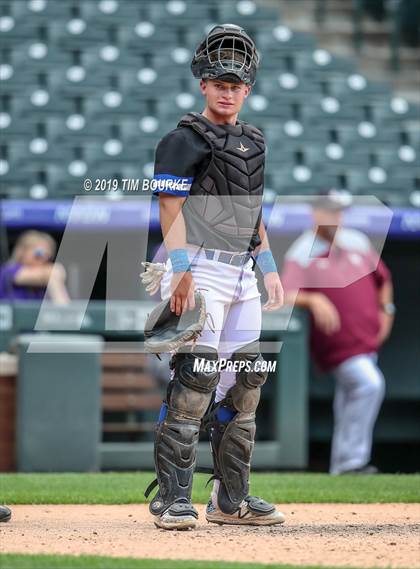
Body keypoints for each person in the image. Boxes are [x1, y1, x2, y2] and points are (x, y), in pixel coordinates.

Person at [145, 24, 285, 529]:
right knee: (196, 378)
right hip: (197, 263)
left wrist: (267, 266)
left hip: (240, 270)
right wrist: (180, 272)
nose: (228, 90)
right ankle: (171, 499)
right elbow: (169, 205)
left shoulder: (253, 139)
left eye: (236, 84)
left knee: (245, 383)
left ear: (247, 88)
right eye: (219, 82)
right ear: (203, 83)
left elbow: (252, 211)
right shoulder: (183, 138)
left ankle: (230, 500)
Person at [281, 190, 394, 475]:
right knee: (369, 384)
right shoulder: (302, 250)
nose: (336, 217)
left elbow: (384, 280)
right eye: (330, 211)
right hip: (337, 344)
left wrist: (387, 311)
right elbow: (283, 294)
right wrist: (313, 298)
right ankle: (353, 461)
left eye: (339, 211)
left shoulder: (356, 240)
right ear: (315, 213)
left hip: (367, 340)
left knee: (349, 400)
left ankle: (342, 467)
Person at [0, 230, 70, 304]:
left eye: (48, 256)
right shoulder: (9, 270)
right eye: (39, 253)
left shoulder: (44, 281)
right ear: (23, 251)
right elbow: (51, 273)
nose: (44, 259)